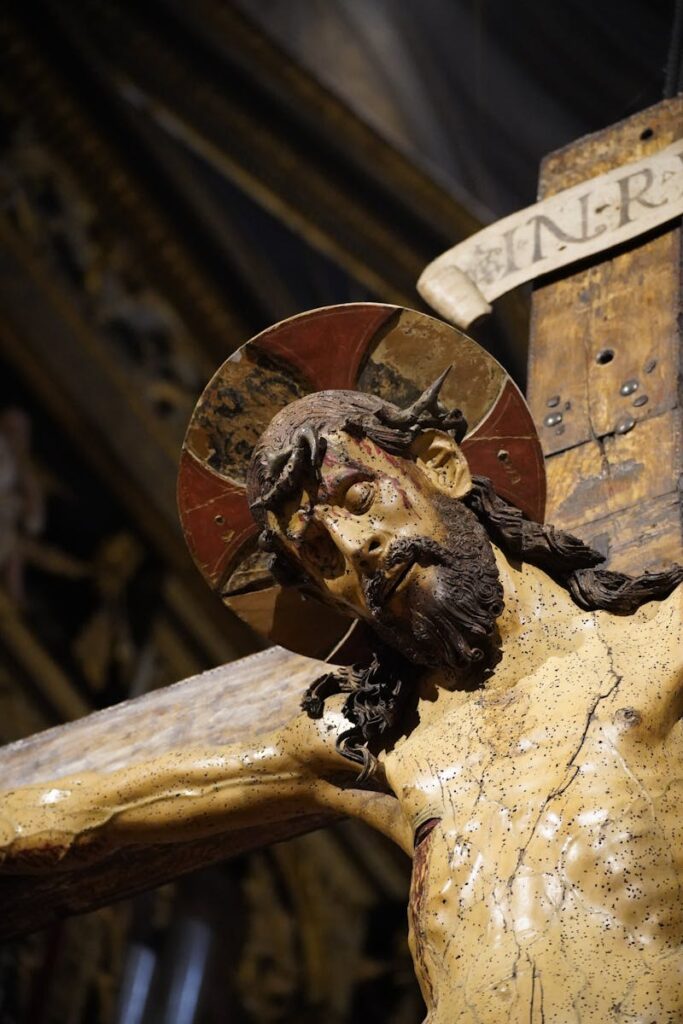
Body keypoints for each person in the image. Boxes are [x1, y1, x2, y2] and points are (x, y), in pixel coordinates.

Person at [1, 373, 682, 1024]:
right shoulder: (377, 746)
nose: (359, 549)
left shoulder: (661, 645)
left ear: (441, 466)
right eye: (321, 558)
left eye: (360, 501)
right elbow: (92, 808)